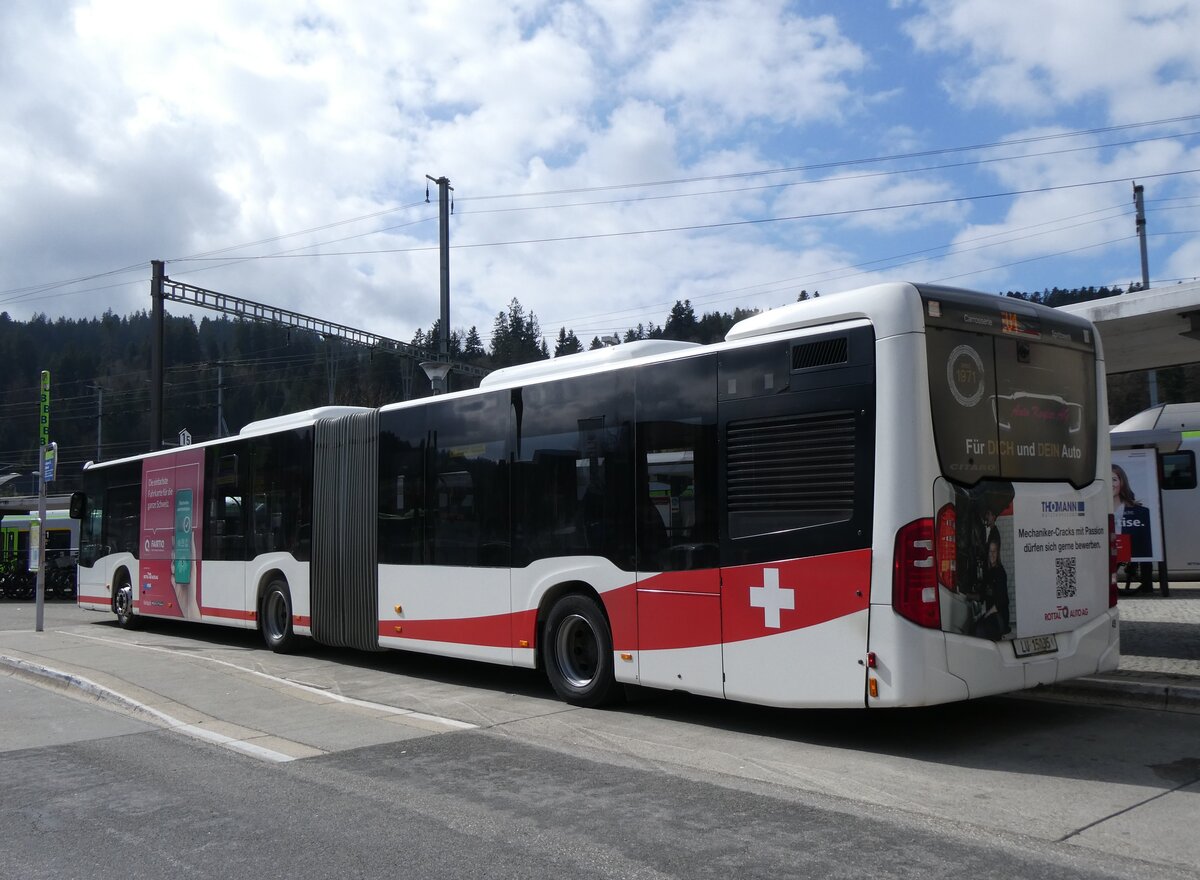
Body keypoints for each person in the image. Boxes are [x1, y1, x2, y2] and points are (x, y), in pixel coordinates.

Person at [1112, 464, 1153, 592]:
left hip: (1126, 546)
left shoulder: (1140, 512)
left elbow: (1145, 543)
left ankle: (1146, 583)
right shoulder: (1096, 510)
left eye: (1114, 479)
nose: (1110, 484)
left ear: (1122, 482)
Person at [971, 536, 1010, 640]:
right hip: (991, 615)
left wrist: (986, 614)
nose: (992, 554)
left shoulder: (1000, 573)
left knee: (979, 629)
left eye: (994, 551)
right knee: (974, 627)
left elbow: (1001, 601)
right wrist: (968, 596)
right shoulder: (988, 573)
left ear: (998, 554)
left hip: (999, 617)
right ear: (987, 554)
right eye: (990, 551)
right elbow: (982, 595)